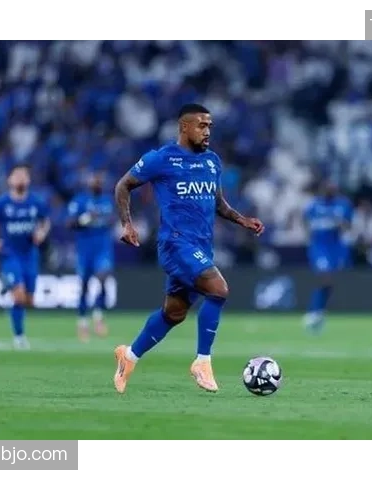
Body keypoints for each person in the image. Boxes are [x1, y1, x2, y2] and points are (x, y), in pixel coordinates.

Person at [113, 103, 264, 393]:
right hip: (175, 244)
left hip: (201, 247)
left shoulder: (212, 161)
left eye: (210, 126)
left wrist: (242, 220)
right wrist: (127, 224)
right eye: (201, 126)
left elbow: (218, 203)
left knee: (174, 313)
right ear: (184, 127)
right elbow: (123, 185)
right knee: (218, 289)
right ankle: (202, 362)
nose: (207, 132)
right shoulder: (161, 158)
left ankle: (128, 356)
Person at [0, 164, 50, 349]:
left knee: (29, 301)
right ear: (9, 180)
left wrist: (42, 233)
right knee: (19, 296)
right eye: (17, 175)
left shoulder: (36, 202)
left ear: (28, 180)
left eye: (23, 175)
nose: (20, 179)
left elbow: (45, 222)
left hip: (29, 254)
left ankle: (8, 284)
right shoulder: (1, 203)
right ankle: (19, 337)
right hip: (10, 254)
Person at [67, 171, 114, 342]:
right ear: (88, 183)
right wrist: (85, 219)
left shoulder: (108, 201)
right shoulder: (79, 201)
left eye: (100, 181)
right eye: (95, 180)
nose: (97, 183)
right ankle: (82, 322)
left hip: (102, 248)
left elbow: (111, 220)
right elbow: (69, 223)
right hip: (85, 250)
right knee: (85, 285)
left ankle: (98, 316)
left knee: (103, 278)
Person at [303, 179, 352, 332]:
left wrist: (340, 224)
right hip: (319, 246)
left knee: (330, 283)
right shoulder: (314, 205)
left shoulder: (343, 204)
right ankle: (313, 312)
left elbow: (348, 225)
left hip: (335, 246)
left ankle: (319, 312)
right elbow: (306, 222)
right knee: (325, 277)